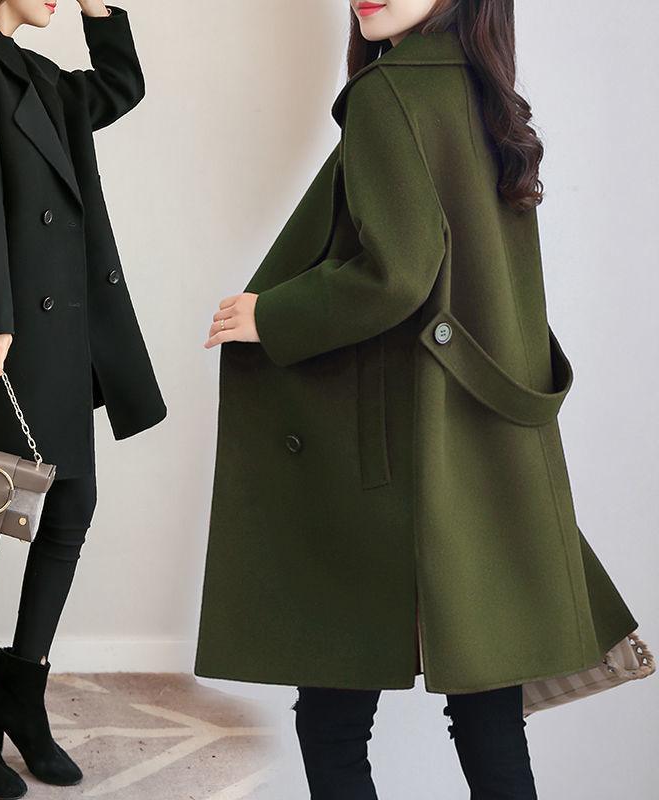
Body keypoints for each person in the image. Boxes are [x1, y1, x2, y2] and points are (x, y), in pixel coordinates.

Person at [194, 1, 640, 798]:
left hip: (396, 459)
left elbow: (398, 274)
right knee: (490, 720)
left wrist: (273, 315)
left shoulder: (390, 93)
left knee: (333, 722)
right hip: (483, 450)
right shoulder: (482, 93)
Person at [0, 1, 165, 796]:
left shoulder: (43, 76)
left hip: (62, 334)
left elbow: (122, 85)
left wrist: (100, 11)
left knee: (69, 506)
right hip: (7, 334)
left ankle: (20, 687)